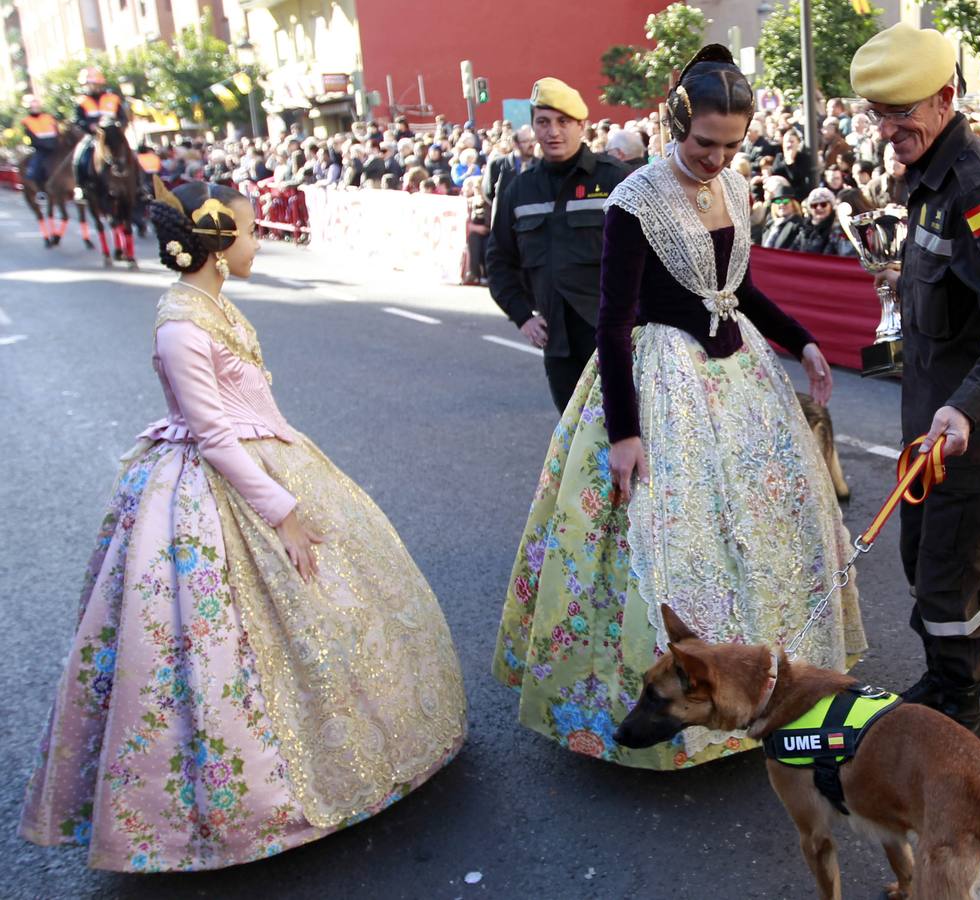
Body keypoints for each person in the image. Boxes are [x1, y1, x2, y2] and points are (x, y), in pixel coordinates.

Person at [19, 180, 467, 872]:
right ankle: (240, 809)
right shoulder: (180, 324)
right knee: (215, 642)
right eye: (253, 233)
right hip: (218, 488)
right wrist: (282, 510)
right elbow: (214, 435)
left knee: (334, 612)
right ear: (219, 247)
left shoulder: (210, 306)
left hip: (268, 459)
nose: (260, 242)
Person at [492, 44, 866, 769]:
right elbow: (611, 319)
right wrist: (625, 434)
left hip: (740, 377)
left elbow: (740, 289)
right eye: (704, 144)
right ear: (675, 124)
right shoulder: (634, 197)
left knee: (764, 526)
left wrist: (804, 342)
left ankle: (768, 687)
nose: (717, 159)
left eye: (731, 145)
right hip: (663, 378)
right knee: (667, 537)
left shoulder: (737, 187)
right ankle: (661, 707)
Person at [851, 24, 980, 740]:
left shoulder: (979, 190)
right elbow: (958, 290)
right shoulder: (930, 171)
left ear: (944, 98)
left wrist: (966, 408)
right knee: (921, 559)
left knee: (946, 577)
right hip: (934, 416)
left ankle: (959, 714)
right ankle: (942, 682)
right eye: (877, 113)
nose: (886, 129)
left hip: (977, 427)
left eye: (900, 111)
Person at [486, 77, 631, 412]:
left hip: (615, 338)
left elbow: (653, 254)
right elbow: (498, 260)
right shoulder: (520, 190)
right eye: (543, 122)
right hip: (559, 345)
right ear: (533, 127)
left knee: (626, 438)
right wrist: (522, 315)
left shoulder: (614, 179)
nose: (553, 132)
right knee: (574, 445)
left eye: (563, 122)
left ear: (582, 125)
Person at [73, 67, 128, 183]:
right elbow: (78, 120)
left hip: (114, 135)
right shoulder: (81, 101)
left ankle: (141, 186)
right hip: (93, 136)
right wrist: (89, 126)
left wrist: (120, 125)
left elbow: (123, 117)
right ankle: (82, 186)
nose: (91, 86)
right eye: (88, 84)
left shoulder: (113, 98)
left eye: (94, 84)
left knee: (133, 155)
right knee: (79, 158)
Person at [21, 94, 62, 184]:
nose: (35, 108)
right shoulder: (26, 122)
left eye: (37, 105)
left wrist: (57, 142)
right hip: (41, 150)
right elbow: (28, 138)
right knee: (35, 169)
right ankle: (40, 190)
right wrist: (42, 145)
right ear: (29, 107)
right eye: (33, 106)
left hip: (55, 147)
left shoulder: (49, 117)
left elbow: (57, 131)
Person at [771, 127, 814, 200]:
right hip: (781, 193)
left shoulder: (803, 158)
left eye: (792, 142)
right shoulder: (779, 157)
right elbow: (775, 172)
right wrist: (786, 161)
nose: (789, 145)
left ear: (798, 143)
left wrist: (790, 162)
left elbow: (796, 177)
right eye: (787, 142)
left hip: (797, 194)